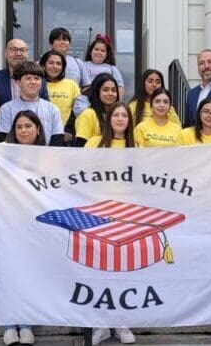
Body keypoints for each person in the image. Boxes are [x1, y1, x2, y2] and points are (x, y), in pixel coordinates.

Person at [0, 110, 45, 345]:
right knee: (6, 272)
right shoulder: (2, 154)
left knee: (30, 274)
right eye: (19, 127)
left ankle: (26, 324)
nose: (23, 131)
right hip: (7, 222)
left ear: (38, 129)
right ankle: (8, 326)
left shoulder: (48, 156)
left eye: (28, 126)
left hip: (35, 225)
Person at [85, 102, 136, 345]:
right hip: (97, 215)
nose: (119, 118)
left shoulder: (138, 147)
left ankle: (121, 321)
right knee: (98, 269)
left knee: (122, 270)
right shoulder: (94, 143)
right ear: (108, 118)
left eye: (124, 115)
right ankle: (100, 324)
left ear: (129, 120)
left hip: (127, 216)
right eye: (115, 114)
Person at [0, 61, 64, 145]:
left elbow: (57, 140)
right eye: (28, 78)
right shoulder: (7, 109)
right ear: (18, 82)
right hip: (16, 156)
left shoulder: (52, 109)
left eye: (37, 78)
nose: (33, 82)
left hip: (45, 156)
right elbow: (3, 140)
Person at [0, 38, 49, 106]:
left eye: (22, 50)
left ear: (27, 54)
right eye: (14, 49)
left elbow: (45, 105)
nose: (18, 54)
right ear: (6, 53)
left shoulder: (39, 79)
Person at [39, 50, 84, 131]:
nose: (55, 66)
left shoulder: (71, 85)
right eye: (51, 63)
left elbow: (79, 112)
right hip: (39, 132)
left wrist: (69, 131)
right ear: (43, 66)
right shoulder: (36, 83)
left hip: (63, 133)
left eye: (58, 64)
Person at [74, 73, 119, 146]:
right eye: (105, 90)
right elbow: (80, 145)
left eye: (113, 90)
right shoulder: (88, 114)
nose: (110, 93)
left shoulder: (118, 115)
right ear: (97, 92)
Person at [83, 34, 125, 99]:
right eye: (96, 49)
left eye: (103, 51)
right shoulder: (82, 65)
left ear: (107, 54)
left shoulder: (112, 69)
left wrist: (116, 105)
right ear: (91, 51)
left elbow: (120, 87)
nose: (99, 52)